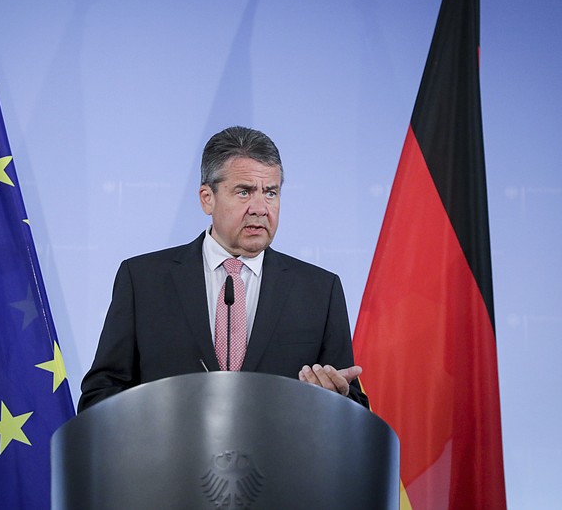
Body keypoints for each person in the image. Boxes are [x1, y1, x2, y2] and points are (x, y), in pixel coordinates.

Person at [78, 126, 368, 411]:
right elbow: (100, 395)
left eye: (270, 193)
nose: (260, 208)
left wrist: (334, 401)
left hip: (275, 458)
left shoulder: (319, 290)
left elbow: (354, 404)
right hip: (170, 457)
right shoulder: (143, 280)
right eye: (244, 192)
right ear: (207, 199)